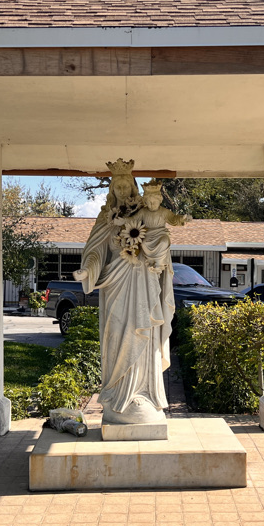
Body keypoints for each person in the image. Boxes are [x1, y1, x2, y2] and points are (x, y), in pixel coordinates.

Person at [72, 161, 178, 425]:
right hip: (116, 286)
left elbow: (158, 240)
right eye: (116, 185)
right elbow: (97, 250)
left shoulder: (143, 213)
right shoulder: (105, 218)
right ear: (111, 188)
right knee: (118, 335)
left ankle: (143, 393)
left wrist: (155, 255)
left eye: (125, 184)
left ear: (131, 186)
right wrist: (87, 270)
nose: (121, 189)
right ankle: (119, 393)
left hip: (143, 283)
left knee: (144, 334)